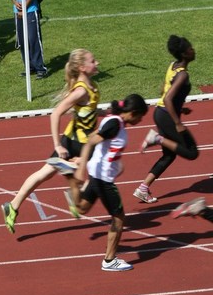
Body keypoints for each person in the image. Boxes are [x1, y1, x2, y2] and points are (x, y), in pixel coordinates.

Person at [1, 49, 100, 233]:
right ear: (82, 67)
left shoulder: (90, 85)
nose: (97, 63)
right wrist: (57, 145)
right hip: (78, 142)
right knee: (99, 175)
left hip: (79, 139)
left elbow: (88, 111)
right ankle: (73, 189)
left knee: (45, 174)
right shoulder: (80, 91)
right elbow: (55, 114)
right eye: (93, 61)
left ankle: (13, 205)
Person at [60, 94, 148, 272]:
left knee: (81, 208)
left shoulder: (113, 120)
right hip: (103, 180)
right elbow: (91, 141)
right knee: (119, 218)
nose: (140, 120)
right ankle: (109, 260)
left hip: (96, 174)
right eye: (140, 117)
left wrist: (83, 161)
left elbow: (95, 137)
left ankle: (70, 178)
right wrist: (82, 167)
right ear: (132, 113)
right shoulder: (115, 124)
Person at [133, 35, 199, 204]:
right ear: (184, 54)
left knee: (169, 155)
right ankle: (157, 138)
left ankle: (143, 188)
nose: (193, 50)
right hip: (167, 116)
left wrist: (180, 108)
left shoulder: (172, 66)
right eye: (190, 48)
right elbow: (168, 97)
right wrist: (177, 122)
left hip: (160, 112)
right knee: (192, 153)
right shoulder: (183, 75)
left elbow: (163, 88)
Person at [6, 0, 47, 79]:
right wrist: (15, 2)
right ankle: (29, 67)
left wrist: (24, 6)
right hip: (18, 11)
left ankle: (40, 68)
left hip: (31, 9)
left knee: (33, 39)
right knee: (22, 40)